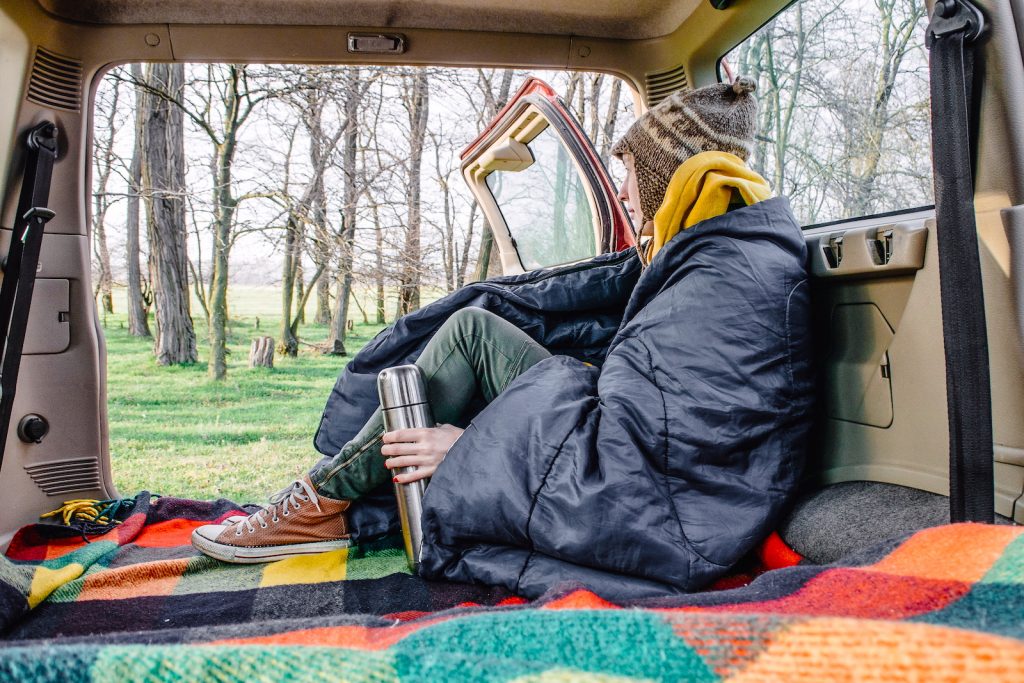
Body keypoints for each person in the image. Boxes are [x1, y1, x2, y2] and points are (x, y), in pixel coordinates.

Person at [192, 79, 814, 599]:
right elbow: (655, 417)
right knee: (472, 333)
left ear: (665, 176)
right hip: (625, 453)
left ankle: (322, 503)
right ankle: (333, 502)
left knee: (468, 340)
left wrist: (474, 448)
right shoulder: (721, 251)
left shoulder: (723, 270)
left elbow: (645, 480)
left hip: (664, 517)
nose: (624, 193)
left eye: (630, 173)